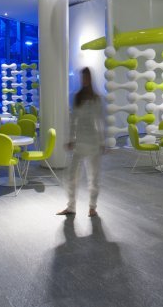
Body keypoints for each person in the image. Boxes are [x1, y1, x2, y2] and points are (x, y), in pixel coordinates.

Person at [59, 68, 106, 218]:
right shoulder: (77, 97)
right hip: (79, 143)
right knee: (71, 176)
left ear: (90, 78)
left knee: (94, 177)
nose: (83, 80)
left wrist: (102, 141)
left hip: (93, 143)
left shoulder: (96, 98)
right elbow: (73, 120)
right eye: (82, 77)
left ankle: (92, 207)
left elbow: (100, 121)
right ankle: (71, 206)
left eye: (86, 77)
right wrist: (70, 139)